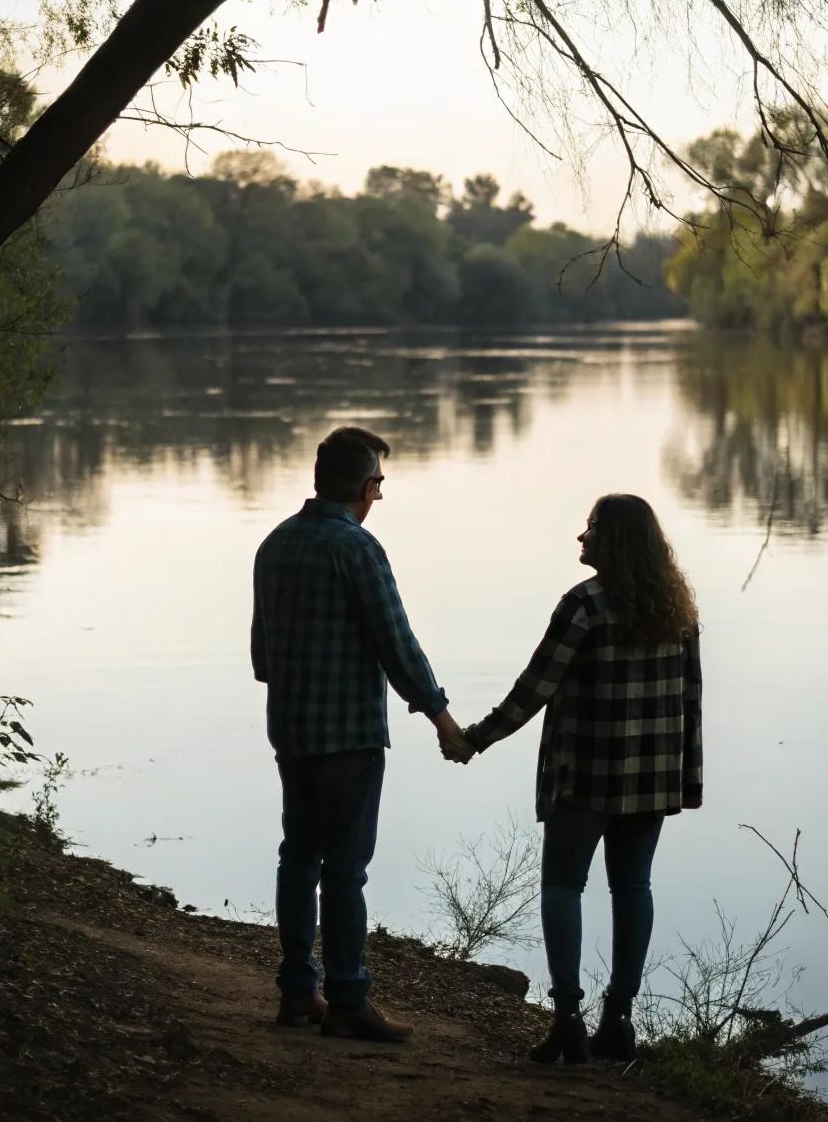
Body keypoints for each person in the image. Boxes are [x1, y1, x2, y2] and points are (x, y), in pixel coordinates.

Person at [445, 494, 703, 1065]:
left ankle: (566, 1021)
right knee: (632, 888)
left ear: (612, 541)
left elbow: (535, 687)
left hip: (586, 774)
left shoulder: (583, 605)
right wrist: (687, 780)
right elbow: (692, 700)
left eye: (589, 529)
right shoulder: (678, 608)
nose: (580, 539)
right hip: (651, 779)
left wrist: (473, 738)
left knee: (564, 885)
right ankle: (619, 1021)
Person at [251, 425, 467, 1043]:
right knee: (345, 869)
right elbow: (395, 642)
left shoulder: (275, 545)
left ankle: (298, 990)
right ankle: (348, 999)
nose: (379, 497)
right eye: (379, 483)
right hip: (348, 736)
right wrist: (443, 720)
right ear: (366, 485)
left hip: (291, 731)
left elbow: (263, 655)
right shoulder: (357, 549)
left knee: (299, 856)